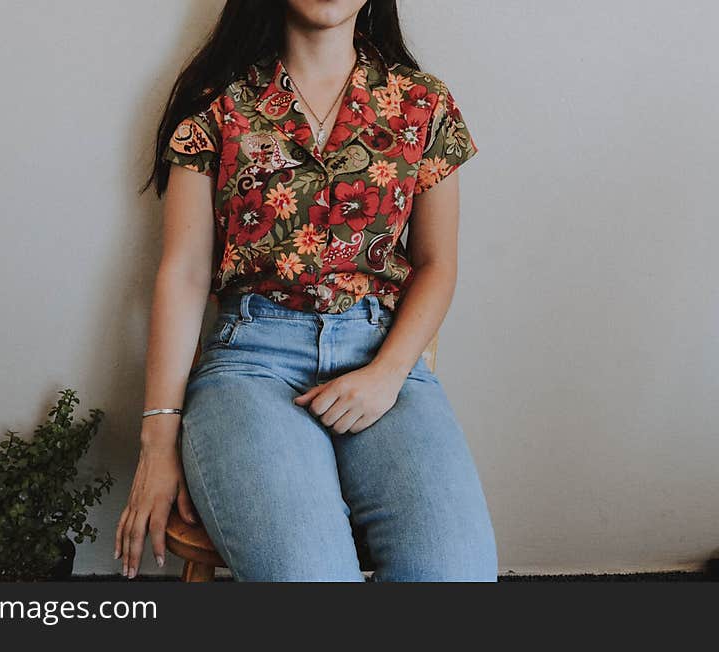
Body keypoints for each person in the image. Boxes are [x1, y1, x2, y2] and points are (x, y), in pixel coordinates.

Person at [115, 0, 498, 581]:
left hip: (382, 356)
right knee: (310, 577)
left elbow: (437, 264)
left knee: (457, 572)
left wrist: (388, 373)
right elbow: (184, 274)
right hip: (251, 363)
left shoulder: (425, 103)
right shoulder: (215, 102)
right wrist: (157, 437)